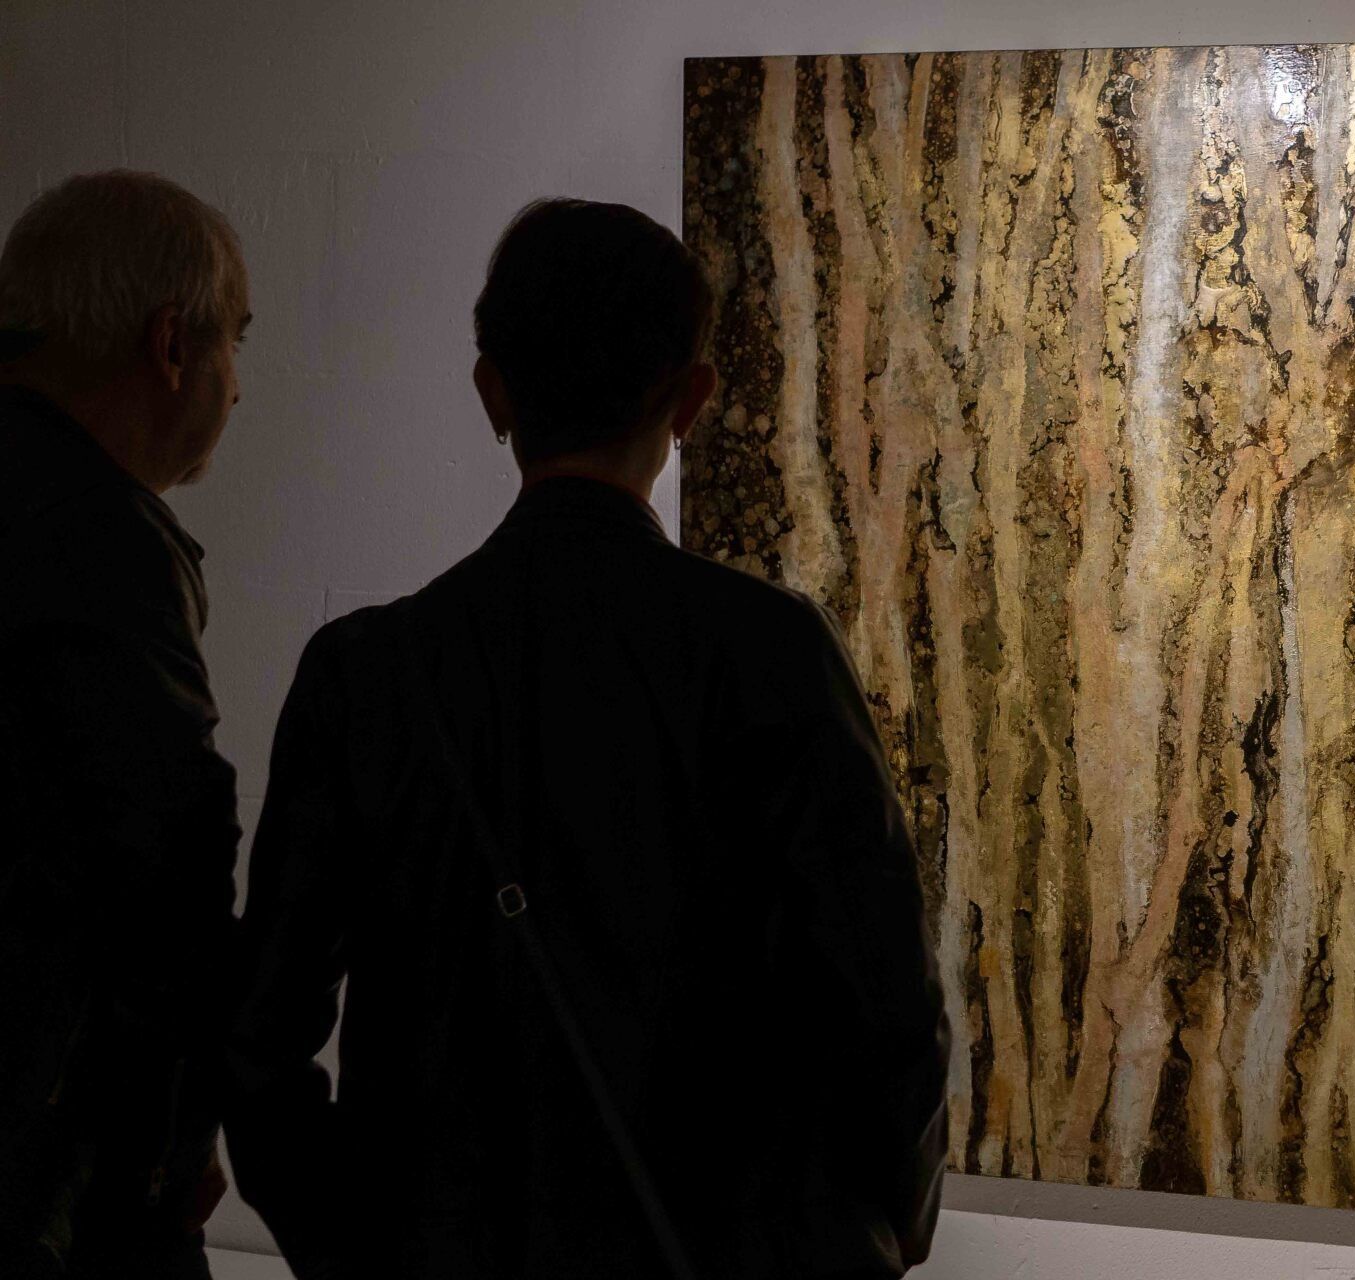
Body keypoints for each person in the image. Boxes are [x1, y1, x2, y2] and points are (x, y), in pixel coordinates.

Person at [225, 198, 950, 1279]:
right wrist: (869, 1233)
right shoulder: (770, 652)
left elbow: (262, 1038)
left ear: (493, 391)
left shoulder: (364, 674)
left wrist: (356, 1249)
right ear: (693, 399)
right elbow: (888, 1001)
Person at [0, 171, 250, 1277]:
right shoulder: (101, 540)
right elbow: (166, 865)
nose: (240, 388)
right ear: (171, 345)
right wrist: (173, 1147)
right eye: (237, 340)